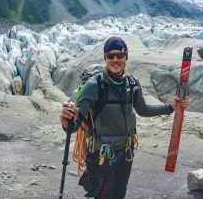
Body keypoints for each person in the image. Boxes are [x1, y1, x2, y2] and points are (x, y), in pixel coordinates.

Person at [60, 36, 189, 199]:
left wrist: (170, 108)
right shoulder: (93, 86)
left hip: (126, 153)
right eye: (110, 56)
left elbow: (143, 109)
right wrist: (67, 121)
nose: (115, 59)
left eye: (119, 55)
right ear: (105, 58)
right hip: (103, 155)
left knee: (119, 194)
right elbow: (75, 124)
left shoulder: (132, 83)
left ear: (126, 56)